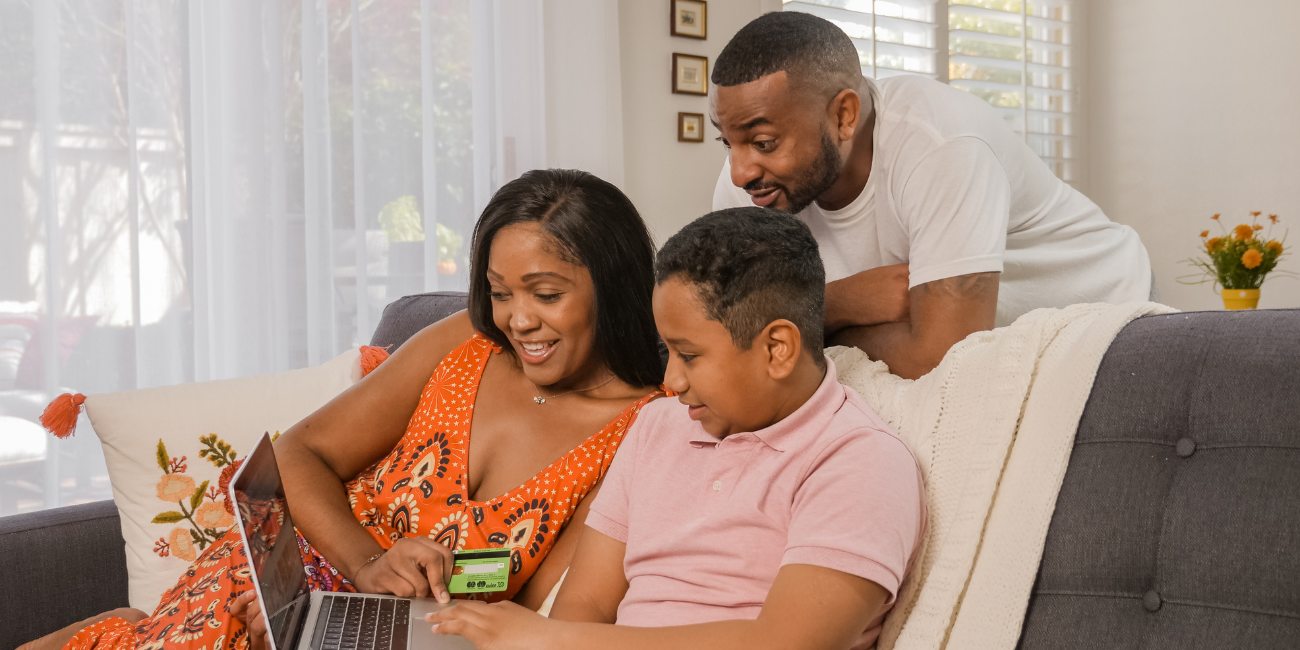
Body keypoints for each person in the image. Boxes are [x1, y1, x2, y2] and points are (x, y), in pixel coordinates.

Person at [26, 169, 667, 650]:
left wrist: (370, 618)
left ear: (613, 289)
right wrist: (365, 566)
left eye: (547, 294)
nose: (517, 320)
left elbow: (542, 615)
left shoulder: (642, 429)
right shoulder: (466, 341)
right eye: (501, 293)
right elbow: (299, 453)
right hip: (286, 583)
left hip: (393, 636)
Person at [425, 207, 925, 650]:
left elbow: (784, 643)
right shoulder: (658, 424)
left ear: (777, 349)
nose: (670, 381)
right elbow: (586, 603)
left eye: (688, 355)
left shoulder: (861, 463)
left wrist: (548, 640)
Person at [710, 12, 1153, 379]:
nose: (740, 172)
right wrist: (841, 301)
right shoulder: (751, 185)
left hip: (1113, 321)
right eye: (728, 142)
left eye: (764, 142)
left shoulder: (941, 143)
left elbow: (944, 360)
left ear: (844, 116)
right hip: (1006, 344)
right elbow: (724, 331)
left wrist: (801, 318)